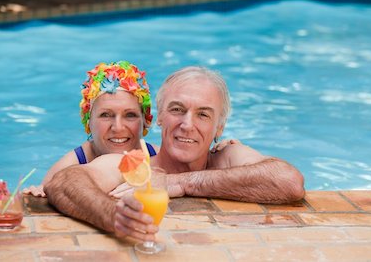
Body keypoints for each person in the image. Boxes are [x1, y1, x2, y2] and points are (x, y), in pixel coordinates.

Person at [44, 66, 305, 242]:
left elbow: (290, 182)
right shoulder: (134, 166)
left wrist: (178, 182)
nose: (187, 124)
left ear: (220, 127)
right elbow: (65, 182)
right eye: (177, 109)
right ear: (159, 117)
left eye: (203, 114)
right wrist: (113, 215)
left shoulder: (226, 156)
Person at [23, 60, 156, 197]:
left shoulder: (157, 158)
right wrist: (38, 192)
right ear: (88, 122)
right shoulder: (67, 167)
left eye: (130, 115)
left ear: (146, 120)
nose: (117, 127)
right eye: (105, 115)